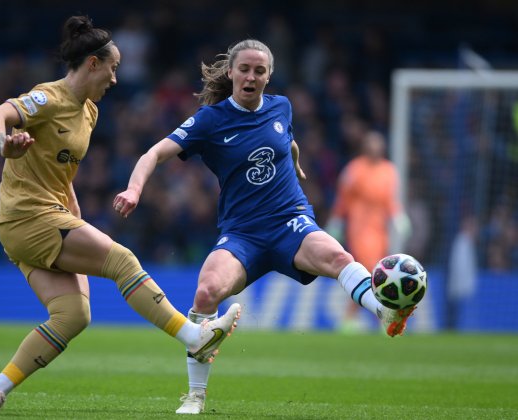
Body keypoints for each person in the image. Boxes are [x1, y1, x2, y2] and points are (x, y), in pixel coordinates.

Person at [113, 39, 417, 415]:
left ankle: (384, 312)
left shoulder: (281, 106)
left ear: (268, 76)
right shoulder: (211, 120)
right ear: (232, 73)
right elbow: (154, 153)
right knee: (206, 292)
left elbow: (287, 141)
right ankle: (195, 395)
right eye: (245, 69)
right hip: (242, 233)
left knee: (337, 255)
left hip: (289, 221)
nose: (251, 76)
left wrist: (296, 162)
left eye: (259, 71)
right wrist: (134, 187)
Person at [0, 15, 241, 416]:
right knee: (122, 260)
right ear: (92, 63)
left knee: (72, 316)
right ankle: (192, 336)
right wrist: (3, 145)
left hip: (45, 219)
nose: (116, 78)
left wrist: (76, 215)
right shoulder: (48, 98)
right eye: (113, 68)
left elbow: (62, 174)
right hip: (27, 218)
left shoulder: (89, 112)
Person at [327, 130, 411, 332]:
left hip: (380, 231)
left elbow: (391, 200)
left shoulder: (389, 171)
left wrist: (398, 216)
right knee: (370, 272)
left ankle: (355, 318)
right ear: (365, 147)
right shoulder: (354, 170)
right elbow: (343, 199)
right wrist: (337, 221)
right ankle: (379, 318)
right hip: (360, 230)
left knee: (378, 274)